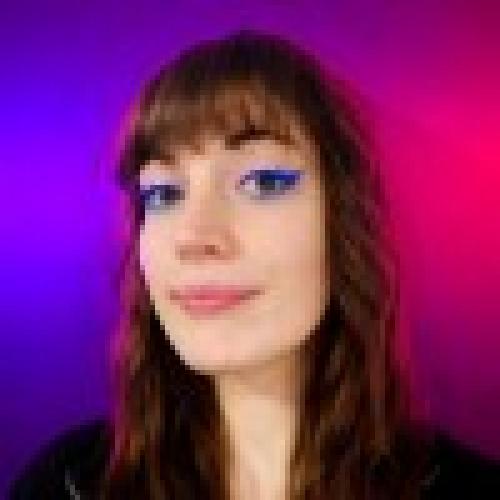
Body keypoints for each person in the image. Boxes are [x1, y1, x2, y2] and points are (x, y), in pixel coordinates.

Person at [10, 29, 500, 500]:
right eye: (162, 193)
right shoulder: (65, 486)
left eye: (263, 182)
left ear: (345, 223)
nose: (194, 237)